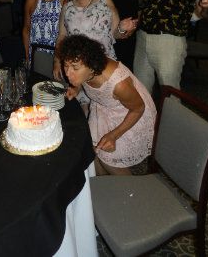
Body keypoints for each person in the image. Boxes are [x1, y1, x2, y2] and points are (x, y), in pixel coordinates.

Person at [60, 35, 157, 175]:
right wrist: (76, 88)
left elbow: (138, 108)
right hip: (106, 109)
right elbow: (83, 79)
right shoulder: (87, 70)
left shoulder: (118, 84)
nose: (67, 73)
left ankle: (130, 191)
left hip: (131, 114)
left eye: (74, 68)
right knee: (92, 152)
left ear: (92, 67)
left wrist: (114, 135)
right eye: (66, 65)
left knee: (107, 158)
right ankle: (103, 187)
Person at [53, 0, 136, 80]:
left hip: (105, 65)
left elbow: (115, 34)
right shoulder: (67, 7)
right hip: (78, 68)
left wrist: (122, 27)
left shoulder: (105, 1)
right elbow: (61, 37)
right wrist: (57, 62)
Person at [22, 0, 64, 65]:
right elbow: (26, 30)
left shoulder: (65, 0)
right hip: (36, 57)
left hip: (58, 58)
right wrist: (27, 56)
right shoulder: (31, 1)